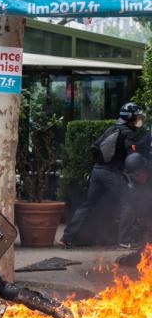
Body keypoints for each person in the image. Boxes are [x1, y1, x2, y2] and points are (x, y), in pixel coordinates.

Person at [60, 102, 145, 249]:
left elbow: (96, 147)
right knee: (128, 202)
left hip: (97, 170)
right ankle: (124, 241)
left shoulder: (112, 128)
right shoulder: (128, 133)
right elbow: (132, 156)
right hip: (110, 172)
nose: (138, 120)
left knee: (88, 205)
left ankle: (66, 238)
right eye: (136, 116)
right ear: (129, 117)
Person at [117, 152, 152, 266]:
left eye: (140, 174)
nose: (139, 177)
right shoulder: (133, 186)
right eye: (136, 176)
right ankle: (145, 253)